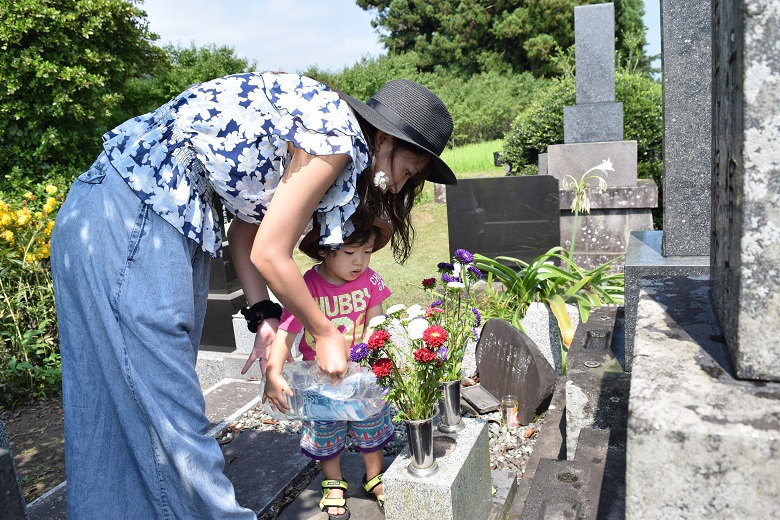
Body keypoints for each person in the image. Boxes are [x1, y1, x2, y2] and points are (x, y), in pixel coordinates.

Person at [49, 71, 455, 518]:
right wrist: (324, 331)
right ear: (383, 137)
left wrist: (263, 315)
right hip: (134, 214)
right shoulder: (334, 138)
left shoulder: (317, 128)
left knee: (115, 405)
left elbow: (245, 232)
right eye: (407, 169)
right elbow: (269, 252)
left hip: (141, 211)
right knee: (170, 413)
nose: (398, 186)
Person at [264, 215, 394, 519]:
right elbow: (286, 331)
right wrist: (272, 372)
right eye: (350, 253)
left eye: (367, 252)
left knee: (370, 425)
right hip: (319, 379)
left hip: (359, 375)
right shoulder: (308, 286)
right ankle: (333, 482)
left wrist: (371, 352)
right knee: (325, 431)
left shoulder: (370, 279)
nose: (360, 261)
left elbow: (375, 321)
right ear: (325, 249)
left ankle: (373, 475)